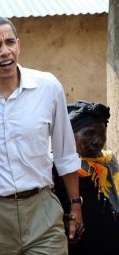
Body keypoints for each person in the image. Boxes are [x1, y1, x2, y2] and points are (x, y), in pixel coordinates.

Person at [0, 16, 83, 255]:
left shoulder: (48, 87)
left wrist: (75, 206)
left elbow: (65, 154)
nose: (5, 51)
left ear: (19, 44)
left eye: (10, 42)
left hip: (43, 212)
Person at [55, 100, 119, 255]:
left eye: (102, 133)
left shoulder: (109, 162)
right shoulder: (57, 169)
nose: (97, 141)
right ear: (71, 136)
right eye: (89, 134)